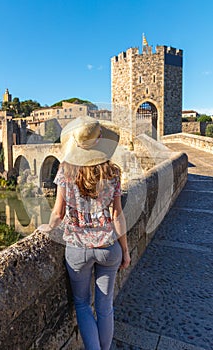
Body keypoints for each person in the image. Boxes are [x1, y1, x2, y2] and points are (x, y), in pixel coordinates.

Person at [40, 116, 130, 350]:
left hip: (77, 250)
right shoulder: (112, 172)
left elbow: (58, 213)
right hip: (109, 248)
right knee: (105, 306)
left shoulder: (65, 170)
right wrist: (125, 251)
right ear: (100, 141)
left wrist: (47, 228)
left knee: (81, 304)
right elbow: (117, 215)